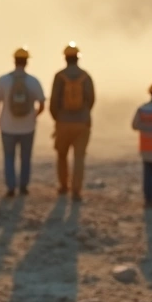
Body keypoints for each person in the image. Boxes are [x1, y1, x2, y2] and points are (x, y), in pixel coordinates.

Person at [0, 47, 47, 197]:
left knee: (8, 157)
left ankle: (10, 187)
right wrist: (35, 116)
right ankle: (24, 187)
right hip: (28, 127)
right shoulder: (33, 81)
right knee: (26, 157)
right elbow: (42, 104)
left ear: (14, 61)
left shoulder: (3, 80)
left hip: (7, 126)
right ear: (27, 62)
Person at [50, 42, 95, 201]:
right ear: (77, 58)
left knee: (62, 155)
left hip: (63, 122)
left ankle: (63, 186)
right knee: (79, 157)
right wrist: (84, 114)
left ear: (65, 58)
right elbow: (91, 100)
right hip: (82, 123)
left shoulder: (59, 76)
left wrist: (58, 119)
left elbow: (54, 102)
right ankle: (76, 190)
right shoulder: (86, 76)